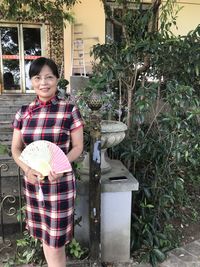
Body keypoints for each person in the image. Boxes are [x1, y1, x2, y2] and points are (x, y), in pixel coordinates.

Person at [11, 57, 84, 267]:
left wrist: (62, 165)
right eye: (37, 77)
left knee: (56, 241)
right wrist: (27, 169)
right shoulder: (23, 113)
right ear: (31, 81)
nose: (43, 82)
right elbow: (16, 149)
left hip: (59, 183)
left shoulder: (69, 110)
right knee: (45, 236)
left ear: (57, 79)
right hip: (34, 184)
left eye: (49, 77)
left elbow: (78, 147)